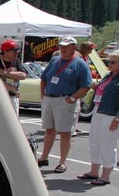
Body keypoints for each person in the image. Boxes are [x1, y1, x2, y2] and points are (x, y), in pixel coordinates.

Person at [36, 36, 92, 174]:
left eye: (66, 46)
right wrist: (43, 95)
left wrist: (73, 98)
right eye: (61, 46)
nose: (63, 48)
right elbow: (44, 78)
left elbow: (86, 85)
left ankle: (62, 162)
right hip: (50, 98)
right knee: (49, 130)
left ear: (74, 47)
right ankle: (44, 157)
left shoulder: (80, 64)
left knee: (65, 133)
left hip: (65, 100)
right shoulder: (55, 60)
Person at [77, 50, 119, 186]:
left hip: (110, 114)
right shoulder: (108, 76)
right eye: (109, 62)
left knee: (108, 144)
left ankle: (105, 176)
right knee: (94, 141)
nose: (110, 64)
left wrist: (117, 119)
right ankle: (94, 171)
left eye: (113, 62)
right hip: (98, 110)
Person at [0, 39, 26, 163]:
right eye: (14, 51)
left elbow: (23, 76)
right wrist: (11, 87)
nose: (17, 53)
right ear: (6, 51)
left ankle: (8, 156)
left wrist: (5, 73)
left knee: (12, 127)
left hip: (12, 98)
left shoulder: (16, 62)